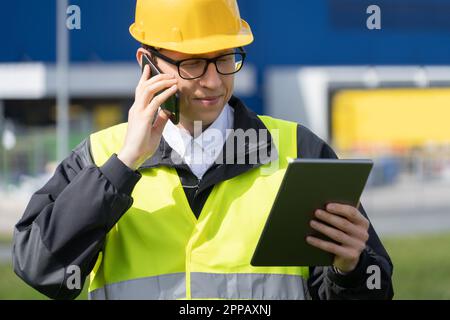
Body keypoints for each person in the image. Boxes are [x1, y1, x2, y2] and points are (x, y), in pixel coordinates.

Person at [12, 0, 393, 300]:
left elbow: (374, 288)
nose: (213, 81)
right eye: (193, 63)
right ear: (147, 64)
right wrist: (124, 165)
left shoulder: (298, 149)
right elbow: (39, 269)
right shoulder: (101, 157)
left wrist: (351, 268)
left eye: (225, 58)